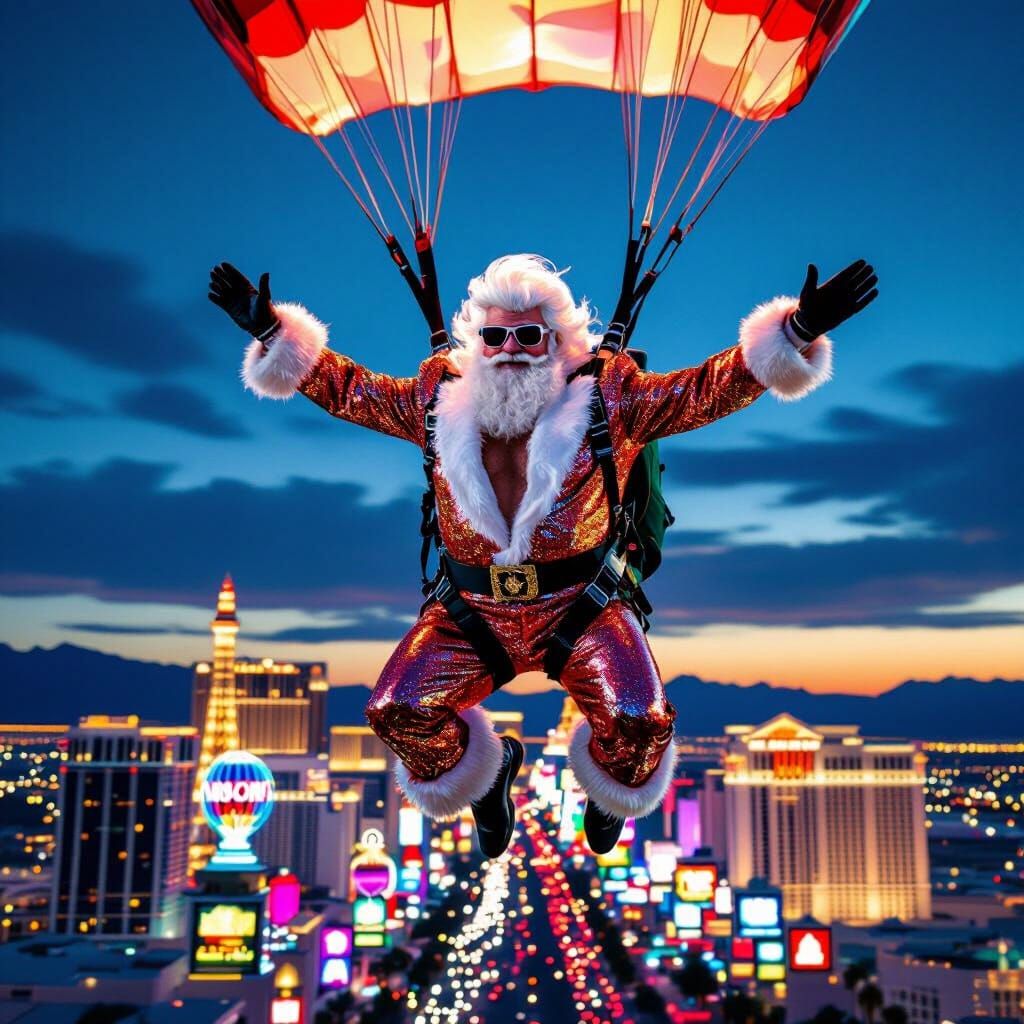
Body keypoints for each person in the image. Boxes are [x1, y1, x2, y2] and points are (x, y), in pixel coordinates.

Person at [209, 254, 877, 857]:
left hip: (579, 608)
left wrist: (795, 330)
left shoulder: (610, 395)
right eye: (495, 337)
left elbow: (706, 389)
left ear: (557, 343)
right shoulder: (435, 399)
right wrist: (272, 334)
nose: (510, 352)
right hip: (471, 611)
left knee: (643, 725)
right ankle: (494, 771)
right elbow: (346, 388)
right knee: (395, 711)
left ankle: (608, 788)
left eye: (528, 337)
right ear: (476, 342)